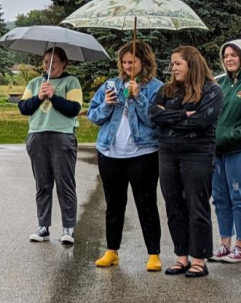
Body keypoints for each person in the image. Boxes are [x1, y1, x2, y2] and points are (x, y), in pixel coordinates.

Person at [86, 41, 164, 271]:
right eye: (125, 62)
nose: (128, 66)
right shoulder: (111, 84)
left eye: (133, 62)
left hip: (143, 153)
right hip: (110, 152)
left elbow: (154, 121)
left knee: (146, 203)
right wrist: (107, 105)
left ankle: (153, 254)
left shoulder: (157, 87)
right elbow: (93, 115)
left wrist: (138, 97)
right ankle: (112, 251)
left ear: (144, 62)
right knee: (113, 204)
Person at [150, 46, 223, 277]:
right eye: (172, 64)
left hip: (198, 153)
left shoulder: (212, 90)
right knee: (173, 206)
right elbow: (153, 115)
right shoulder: (167, 90)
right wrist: (183, 115)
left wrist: (169, 118)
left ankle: (199, 259)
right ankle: (182, 257)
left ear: (191, 64)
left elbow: (201, 121)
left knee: (196, 205)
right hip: (167, 153)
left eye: (177, 63)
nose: (173, 68)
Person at [19, 46, 83, 244]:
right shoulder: (35, 83)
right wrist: (39, 96)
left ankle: (68, 228)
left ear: (64, 64)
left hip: (62, 137)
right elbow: (23, 107)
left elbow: (73, 109)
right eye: (46, 62)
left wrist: (54, 96)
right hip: (38, 136)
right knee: (43, 184)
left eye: (53, 62)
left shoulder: (71, 82)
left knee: (65, 184)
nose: (49, 66)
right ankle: (43, 226)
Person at [211, 39, 241, 263]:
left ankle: (240, 245)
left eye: (234, 55)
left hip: (237, 150)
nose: (229, 59)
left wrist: (232, 135)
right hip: (216, 151)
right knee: (220, 198)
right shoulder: (219, 82)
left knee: (238, 197)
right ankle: (225, 244)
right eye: (226, 55)